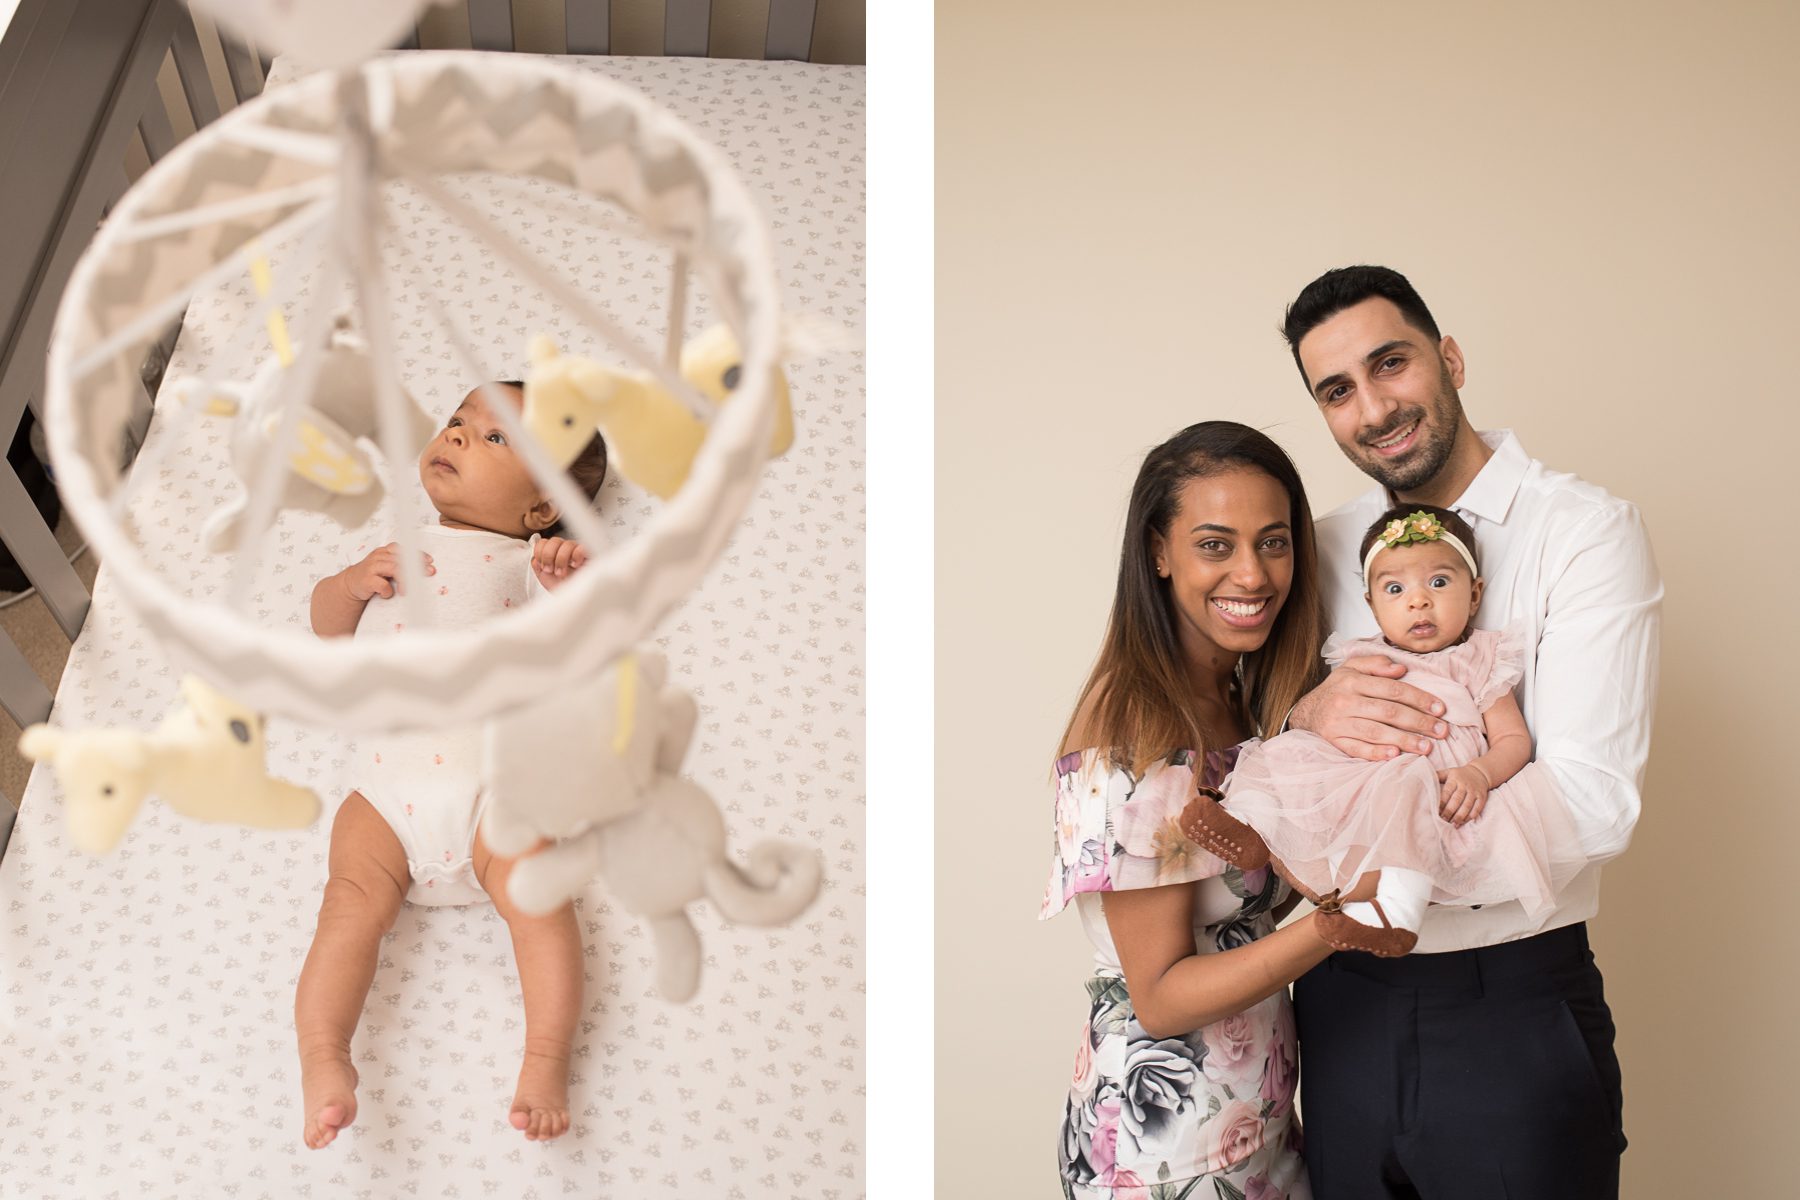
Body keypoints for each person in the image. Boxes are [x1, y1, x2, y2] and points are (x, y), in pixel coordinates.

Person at [1277, 265, 1659, 1198]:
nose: (1373, 408)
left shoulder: (1582, 532)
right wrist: (1304, 710)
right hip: (1337, 1004)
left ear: (1448, 358)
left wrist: (1392, 872)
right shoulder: (1319, 550)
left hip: (1509, 1004)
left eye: (1391, 363)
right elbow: (1270, 745)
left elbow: (1594, 804)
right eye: (1338, 391)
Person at [1041, 420, 1357, 1200]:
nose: (1252, 574)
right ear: (1158, 552)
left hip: (1253, 1123)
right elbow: (1162, 994)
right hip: (1165, 1157)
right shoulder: (1140, 729)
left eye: (1274, 542)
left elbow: (1244, 916)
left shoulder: (1230, 702)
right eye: (1215, 544)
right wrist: (1334, 925)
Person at [294, 380, 608, 1149]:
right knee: (346, 907)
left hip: (489, 796)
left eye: (496, 438)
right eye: (458, 423)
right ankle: (324, 1056)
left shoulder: (530, 562)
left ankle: (544, 1058)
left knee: (540, 906)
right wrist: (345, 587)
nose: (460, 436)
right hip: (383, 799)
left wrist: (568, 587)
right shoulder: (395, 547)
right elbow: (329, 630)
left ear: (541, 507)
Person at [1187, 503, 1586, 957]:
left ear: (1474, 595)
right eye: (1395, 588)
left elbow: (1515, 741)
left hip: (1428, 781)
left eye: (1438, 582)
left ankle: (1398, 909)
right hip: (1361, 776)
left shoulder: (1480, 658)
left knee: (1406, 785)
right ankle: (1249, 821)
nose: (1418, 600)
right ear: (1372, 606)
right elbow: (1333, 728)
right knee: (1287, 748)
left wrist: (1479, 773)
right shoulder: (1362, 657)